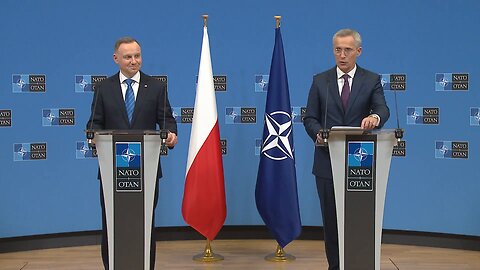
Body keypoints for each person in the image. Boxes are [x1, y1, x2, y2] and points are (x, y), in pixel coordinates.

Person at [86, 36, 178, 270]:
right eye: (128, 57)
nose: (134, 61)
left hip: (146, 171)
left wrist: (171, 135)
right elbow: (94, 124)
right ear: (116, 59)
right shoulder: (103, 88)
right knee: (112, 223)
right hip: (112, 174)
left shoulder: (156, 87)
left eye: (137, 55)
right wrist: (92, 137)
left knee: (145, 223)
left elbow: (167, 121)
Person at [303, 29, 389, 270]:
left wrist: (374, 117)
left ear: (358, 52)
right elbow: (310, 117)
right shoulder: (321, 81)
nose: (342, 55)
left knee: (358, 223)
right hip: (326, 163)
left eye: (348, 50)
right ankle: (335, 267)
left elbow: (382, 109)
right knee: (331, 223)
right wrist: (318, 132)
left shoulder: (371, 80)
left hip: (359, 164)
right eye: (338, 50)